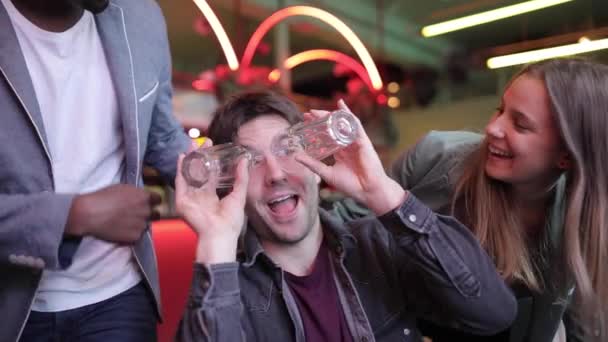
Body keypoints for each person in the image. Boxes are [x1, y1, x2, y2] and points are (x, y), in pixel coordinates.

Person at [174, 91, 516, 341]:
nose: (276, 173)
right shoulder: (231, 289)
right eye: (251, 161)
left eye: (287, 149)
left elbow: (493, 313)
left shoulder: (378, 244)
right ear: (230, 185)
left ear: (316, 162)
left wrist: (383, 192)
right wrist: (216, 243)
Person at [0, 0, 191, 341]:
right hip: (12, 308)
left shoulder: (140, 14)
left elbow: (161, 137)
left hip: (120, 298)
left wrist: (225, 170)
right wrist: (73, 216)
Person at [386, 58, 607, 341]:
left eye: (520, 124)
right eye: (500, 110)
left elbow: (582, 327)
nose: (492, 128)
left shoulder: (582, 227)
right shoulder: (435, 156)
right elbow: (350, 229)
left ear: (566, 155)